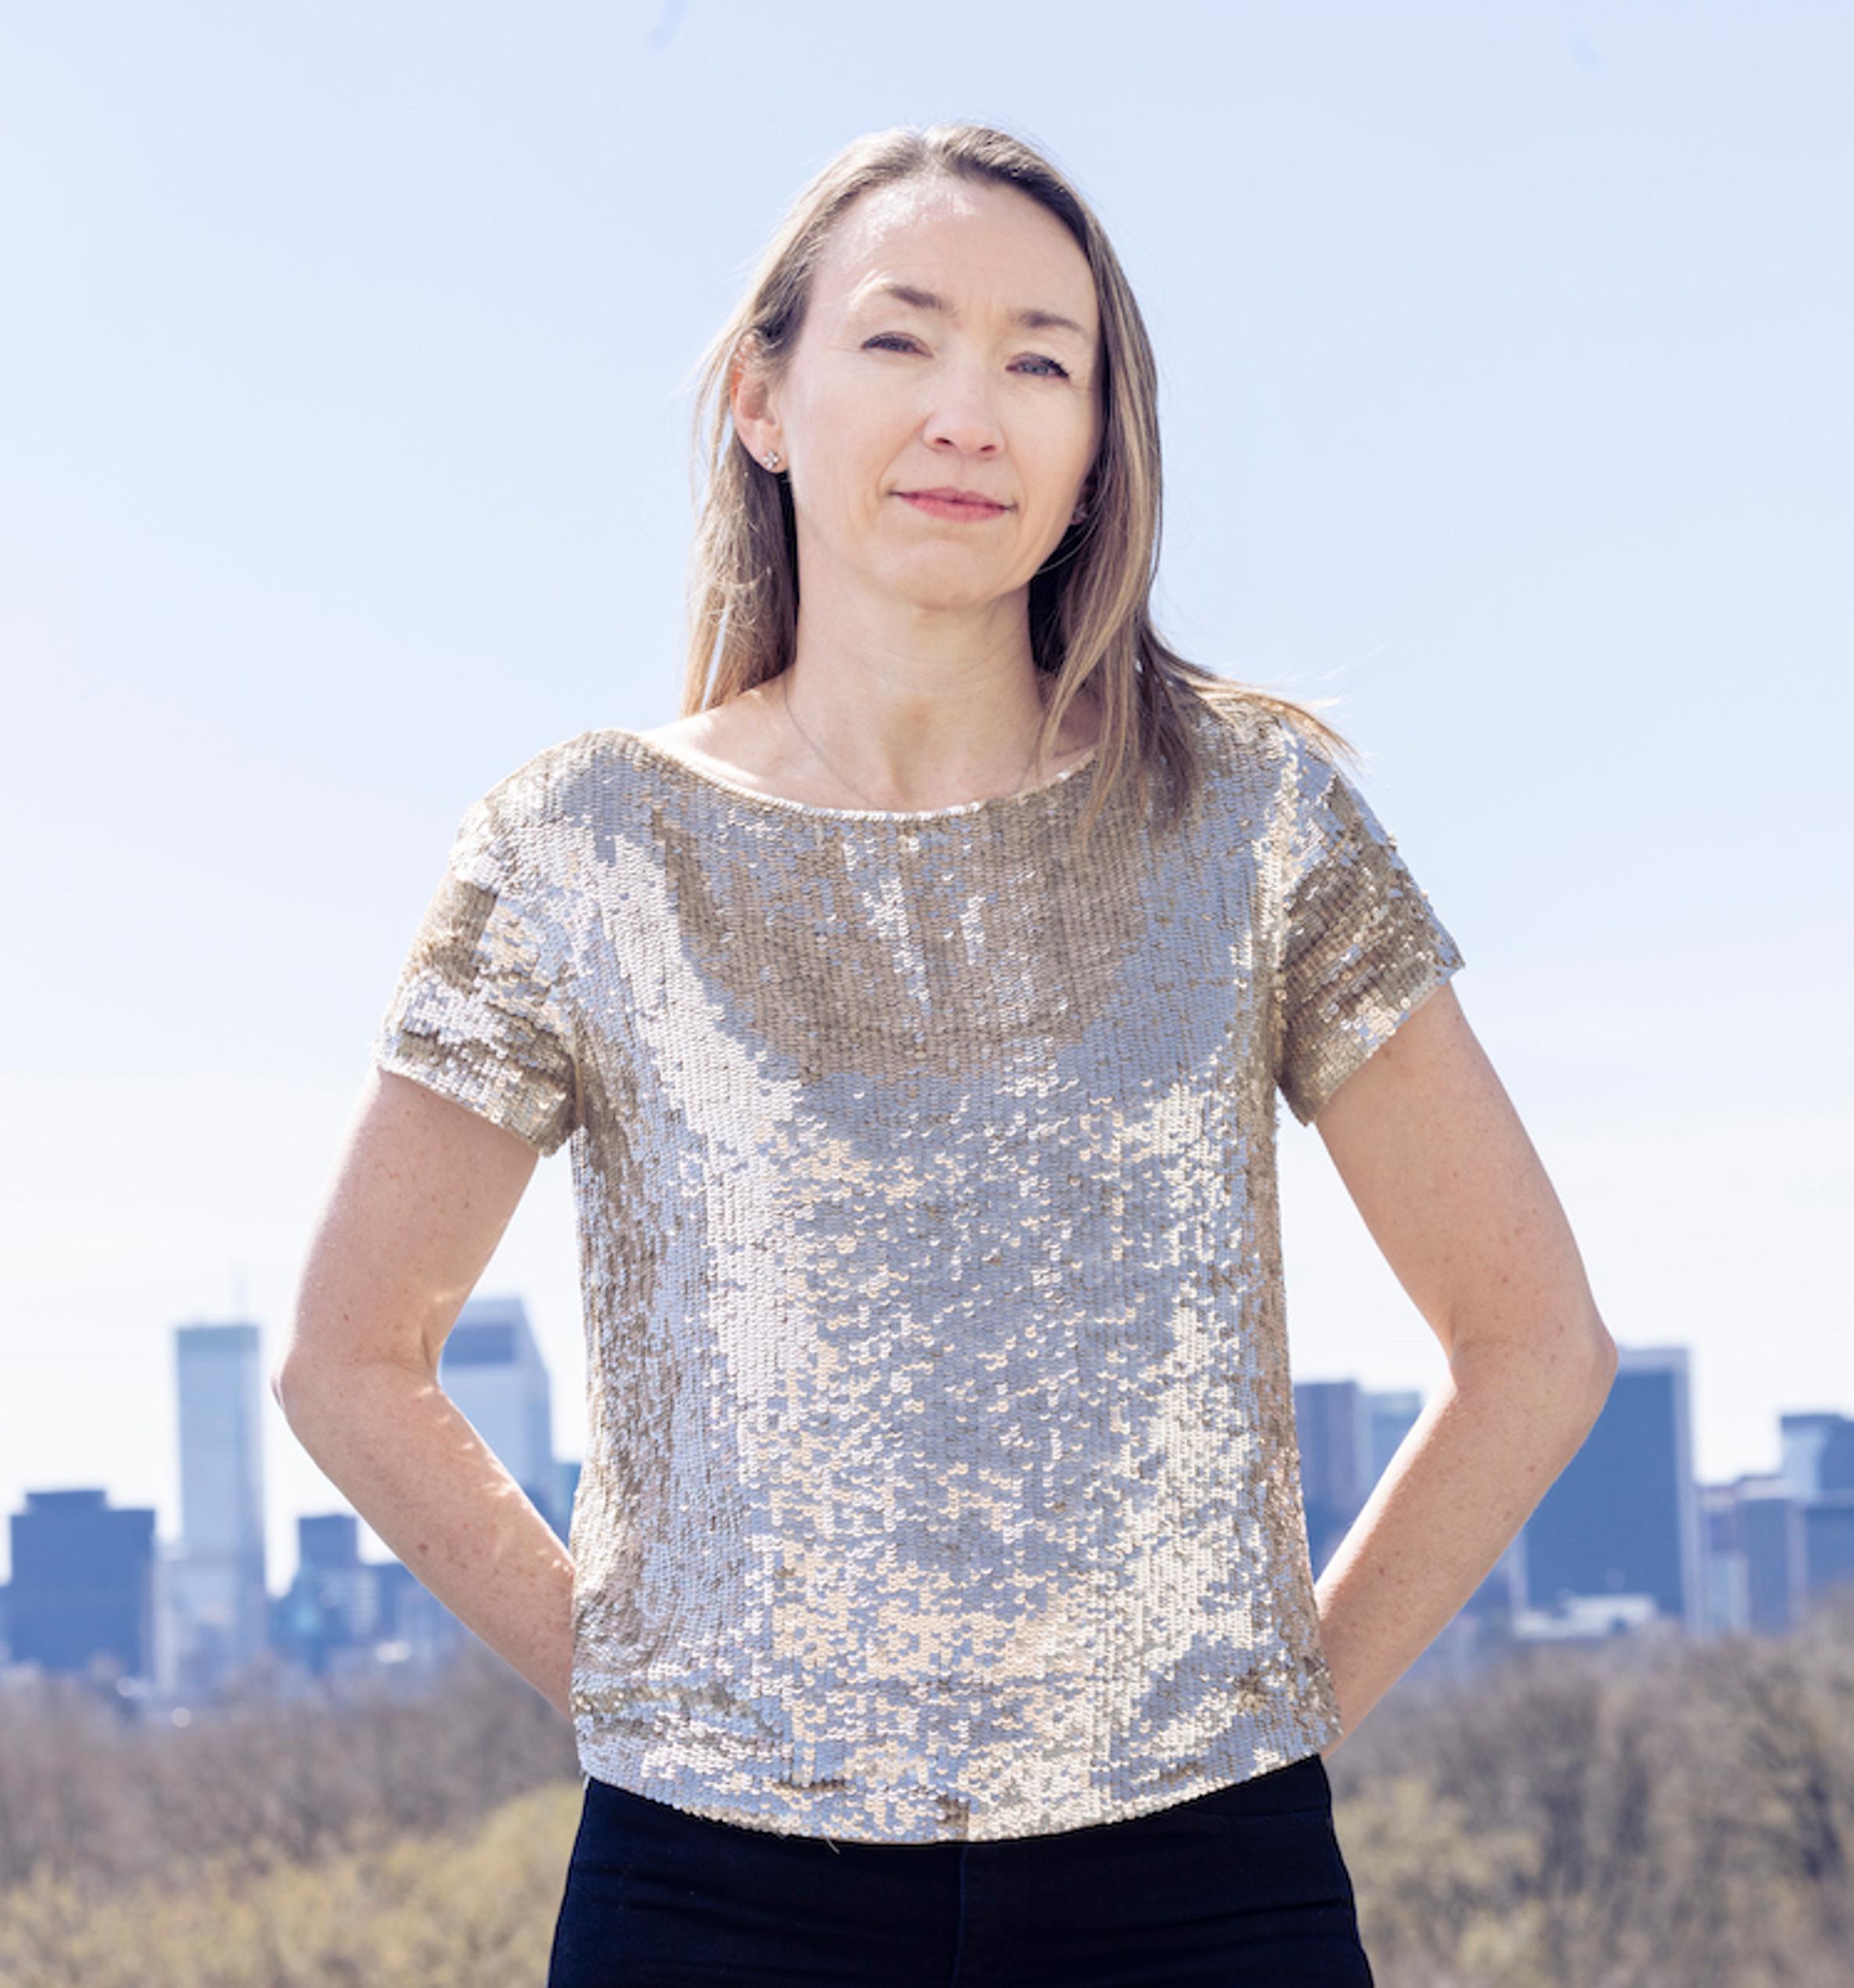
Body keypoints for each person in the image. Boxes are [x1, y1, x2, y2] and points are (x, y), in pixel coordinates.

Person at [278, 121, 1617, 1986]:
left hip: (1199, 1886)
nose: (969, 413)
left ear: (1095, 451)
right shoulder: (579, 846)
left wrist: (1280, 1712)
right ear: (762, 397)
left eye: (1041, 361)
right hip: (713, 1891)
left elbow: (1538, 1340)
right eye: (901, 339)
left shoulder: (1255, 825)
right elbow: (349, 1357)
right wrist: (651, 1690)